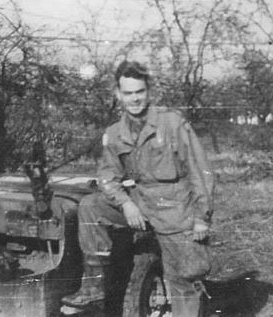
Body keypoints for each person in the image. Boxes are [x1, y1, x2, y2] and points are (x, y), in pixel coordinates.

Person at [62, 60, 215, 316]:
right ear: (118, 95)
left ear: (149, 92)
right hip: (140, 199)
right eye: (128, 93)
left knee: (184, 278)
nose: (135, 99)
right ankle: (94, 287)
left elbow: (201, 171)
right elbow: (107, 177)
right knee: (90, 207)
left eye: (139, 92)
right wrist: (125, 203)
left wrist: (202, 217)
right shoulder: (114, 132)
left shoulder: (172, 123)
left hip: (175, 207)